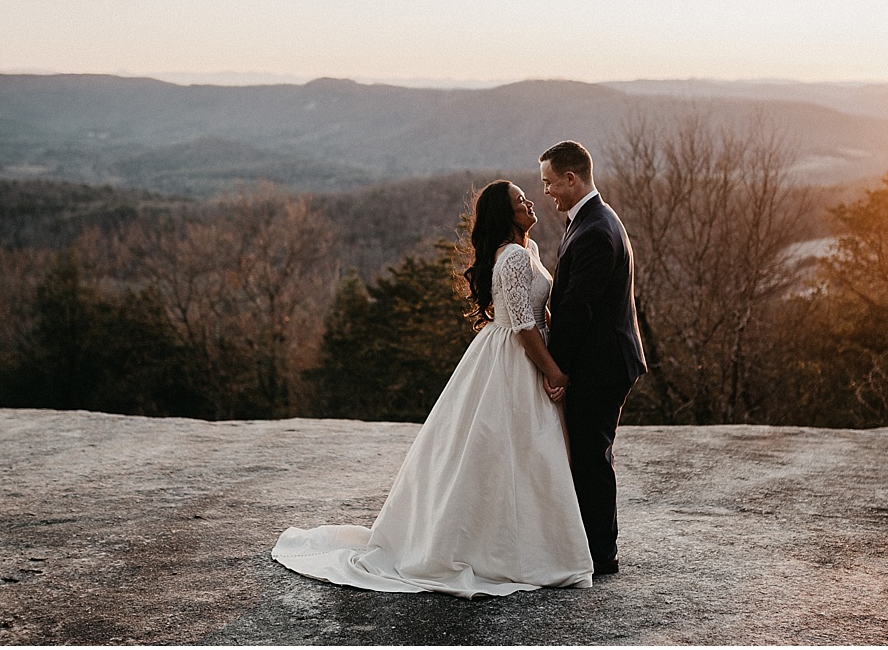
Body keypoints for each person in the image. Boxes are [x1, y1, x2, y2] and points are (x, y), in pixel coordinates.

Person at [271, 180, 593, 598]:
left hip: (521, 352)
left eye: (527, 197)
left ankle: (526, 544)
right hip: (513, 359)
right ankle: (501, 551)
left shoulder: (526, 251)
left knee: (523, 455)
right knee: (503, 451)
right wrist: (554, 372)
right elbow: (523, 327)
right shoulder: (512, 257)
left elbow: (538, 311)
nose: (529, 202)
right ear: (504, 214)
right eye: (519, 201)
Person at [537, 140, 647, 575]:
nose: (546, 191)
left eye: (549, 182)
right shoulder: (590, 219)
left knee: (591, 457)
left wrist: (556, 369)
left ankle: (601, 555)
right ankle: (589, 546)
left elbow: (578, 311)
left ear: (571, 178)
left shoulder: (597, 231)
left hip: (602, 365)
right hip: (602, 360)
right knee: (587, 454)